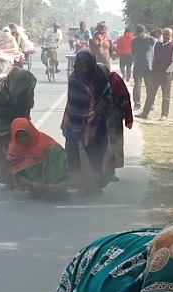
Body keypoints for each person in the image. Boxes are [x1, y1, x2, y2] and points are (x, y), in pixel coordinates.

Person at [62, 50, 111, 196]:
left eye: (86, 65)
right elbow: (75, 102)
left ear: (92, 64)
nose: (83, 68)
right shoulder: (74, 79)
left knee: (96, 153)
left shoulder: (100, 75)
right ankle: (80, 184)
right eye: (80, 64)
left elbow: (107, 92)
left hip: (97, 123)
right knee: (74, 154)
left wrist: (101, 105)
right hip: (75, 121)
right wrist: (88, 112)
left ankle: (96, 185)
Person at [0, 67, 38, 188]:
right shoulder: (1, 89)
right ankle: (13, 178)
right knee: (7, 150)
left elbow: (26, 106)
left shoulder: (24, 89)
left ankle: (22, 177)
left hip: (15, 118)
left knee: (21, 146)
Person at [7, 118, 70, 200]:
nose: (23, 139)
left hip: (49, 175)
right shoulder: (14, 149)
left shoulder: (44, 141)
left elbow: (61, 157)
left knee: (54, 151)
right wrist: (33, 184)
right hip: (33, 182)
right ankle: (35, 191)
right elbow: (17, 173)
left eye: (25, 135)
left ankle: (54, 188)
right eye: (19, 137)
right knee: (24, 166)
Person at [99, 64, 134, 182]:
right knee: (99, 145)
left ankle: (111, 171)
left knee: (114, 145)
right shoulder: (93, 80)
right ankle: (98, 171)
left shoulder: (114, 79)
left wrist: (122, 111)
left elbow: (125, 97)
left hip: (114, 118)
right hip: (98, 118)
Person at [136, 28, 173, 121]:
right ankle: (145, 113)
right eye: (164, 34)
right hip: (155, 72)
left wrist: (167, 71)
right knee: (151, 93)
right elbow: (153, 56)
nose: (166, 36)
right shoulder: (157, 44)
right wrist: (152, 68)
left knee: (166, 95)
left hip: (166, 74)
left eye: (168, 35)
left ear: (171, 35)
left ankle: (164, 114)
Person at [131, 25, 156, 111]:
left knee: (149, 86)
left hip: (148, 67)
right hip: (137, 65)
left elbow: (155, 52)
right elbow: (133, 52)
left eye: (140, 33)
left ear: (144, 32)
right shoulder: (134, 41)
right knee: (137, 85)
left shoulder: (152, 40)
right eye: (138, 34)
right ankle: (137, 103)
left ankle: (151, 103)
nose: (139, 35)